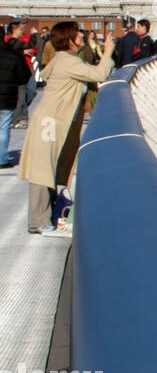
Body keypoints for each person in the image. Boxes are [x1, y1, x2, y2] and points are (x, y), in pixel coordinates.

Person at [18, 21, 116, 234]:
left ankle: (44, 218)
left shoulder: (62, 60)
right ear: (69, 39)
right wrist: (108, 52)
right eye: (78, 34)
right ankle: (39, 221)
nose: (82, 36)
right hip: (50, 121)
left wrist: (94, 49)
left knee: (47, 167)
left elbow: (87, 68)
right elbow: (99, 74)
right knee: (43, 170)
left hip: (48, 119)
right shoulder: (68, 63)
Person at [0, 31, 31, 168]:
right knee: (3, 127)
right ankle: (1, 159)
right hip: (8, 96)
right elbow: (25, 75)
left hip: (8, 95)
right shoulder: (14, 54)